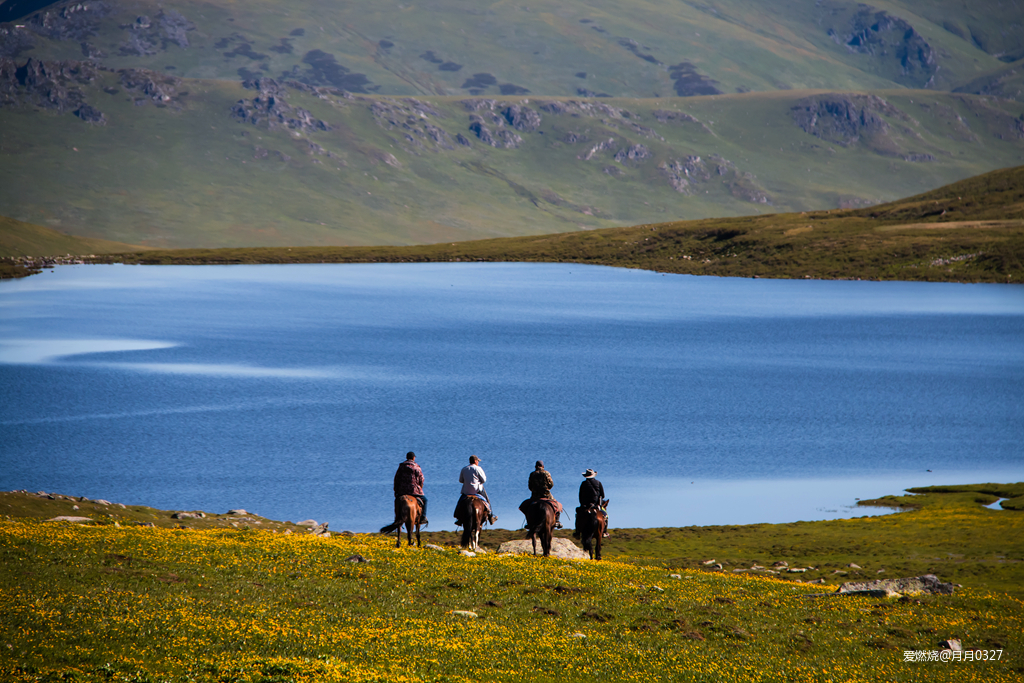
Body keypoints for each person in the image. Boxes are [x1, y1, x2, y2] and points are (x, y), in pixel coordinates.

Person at [519, 460, 562, 529]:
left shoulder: (532, 474)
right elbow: (551, 484)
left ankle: (529, 522)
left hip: (535, 496)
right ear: (543, 466)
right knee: (557, 505)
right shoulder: (546, 473)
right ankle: (557, 521)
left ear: (535, 466)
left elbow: (530, 486)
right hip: (546, 495)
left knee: (525, 507)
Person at [455, 455, 497, 525]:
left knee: (460, 502)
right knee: (487, 501)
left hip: (466, 491)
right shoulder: (478, 468)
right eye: (478, 461)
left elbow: (460, 480)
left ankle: (458, 517)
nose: (478, 462)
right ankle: (490, 516)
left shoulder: (464, 469)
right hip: (477, 491)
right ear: (475, 461)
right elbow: (484, 480)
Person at [393, 451, 428, 525]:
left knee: (397, 501)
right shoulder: (417, 467)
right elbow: (421, 479)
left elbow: (397, 478)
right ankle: (423, 517)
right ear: (413, 458)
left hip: (402, 491)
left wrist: (396, 490)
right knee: (425, 500)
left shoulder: (401, 466)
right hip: (414, 491)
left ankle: (397, 518)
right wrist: (420, 487)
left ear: (406, 457)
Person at [574, 468, 607, 539]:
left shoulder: (583, 484)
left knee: (578, 515)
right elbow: (603, 495)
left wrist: (582, 504)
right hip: (596, 505)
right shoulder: (598, 483)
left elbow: (580, 496)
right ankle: (604, 531)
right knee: (605, 515)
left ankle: (577, 532)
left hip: (585, 505)